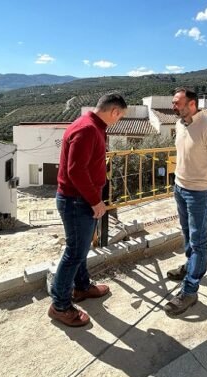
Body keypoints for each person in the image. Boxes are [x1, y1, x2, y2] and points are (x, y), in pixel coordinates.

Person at [48, 93, 127, 327]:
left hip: (79, 200)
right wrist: (95, 201)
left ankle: (81, 287)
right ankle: (60, 306)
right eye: (120, 116)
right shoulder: (88, 130)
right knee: (74, 253)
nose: (118, 120)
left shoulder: (89, 124)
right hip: (77, 201)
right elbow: (76, 171)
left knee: (80, 249)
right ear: (114, 111)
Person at [165, 88, 207, 315]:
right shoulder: (179, 125)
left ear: (191, 104)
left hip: (200, 193)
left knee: (199, 241)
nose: (173, 106)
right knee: (187, 233)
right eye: (173, 103)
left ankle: (190, 290)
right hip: (181, 188)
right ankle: (189, 266)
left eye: (177, 103)